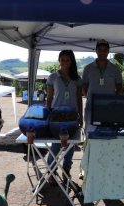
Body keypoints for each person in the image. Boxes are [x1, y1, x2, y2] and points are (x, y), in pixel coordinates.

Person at [46, 50, 83, 184]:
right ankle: (51, 171)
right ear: (59, 60)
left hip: (72, 117)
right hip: (57, 117)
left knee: (70, 146)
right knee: (55, 146)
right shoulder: (53, 77)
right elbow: (49, 97)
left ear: (71, 61)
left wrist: (81, 116)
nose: (65, 62)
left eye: (67, 60)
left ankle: (66, 169)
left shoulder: (77, 79)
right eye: (62, 60)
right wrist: (47, 115)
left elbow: (79, 98)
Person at [82, 39, 122, 133]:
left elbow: (119, 87)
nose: (102, 52)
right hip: (91, 108)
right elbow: (83, 87)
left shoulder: (115, 69)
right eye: (100, 49)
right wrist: (90, 99)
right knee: (90, 135)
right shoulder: (88, 68)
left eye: (105, 49)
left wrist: (113, 101)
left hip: (109, 109)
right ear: (96, 51)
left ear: (108, 51)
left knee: (109, 135)